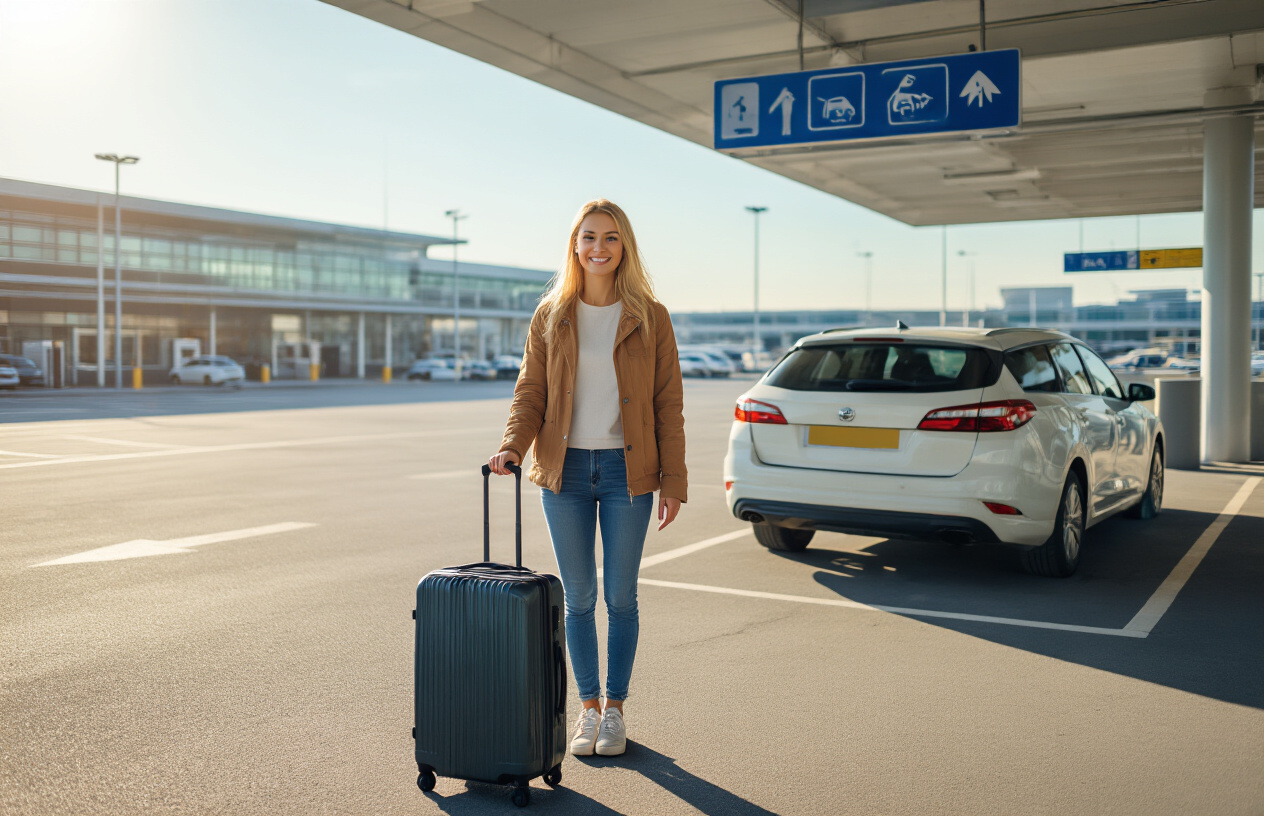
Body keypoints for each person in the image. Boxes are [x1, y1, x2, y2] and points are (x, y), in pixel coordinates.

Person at [488, 199, 687, 758]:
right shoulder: (552, 314)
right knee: (577, 598)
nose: (599, 248)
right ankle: (588, 709)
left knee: (621, 597)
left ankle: (617, 712)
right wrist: (512, 446)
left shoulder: (651, 316)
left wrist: (673, 480)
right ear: (575, 246)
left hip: (630, 474)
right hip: (565, 471)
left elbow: (667, 404)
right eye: (589, 237)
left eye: (611, 238)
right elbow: (531, 391)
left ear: (625, 248)